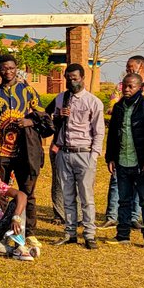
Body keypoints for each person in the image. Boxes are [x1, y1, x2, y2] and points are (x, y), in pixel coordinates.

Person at [47, 62, 105, 249]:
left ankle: (89, 233)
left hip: (84, 153)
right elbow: (52, 123)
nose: (71, 82)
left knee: (86, 196)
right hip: (65, 152)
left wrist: (94, 155)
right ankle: (70, 232)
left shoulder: (93, 102)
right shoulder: (60, 98)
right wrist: (59, 117)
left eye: (75, 78)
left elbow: (99, 131)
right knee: (67, 195)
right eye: (68, 78)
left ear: (83, 78)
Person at [0, 54, 46, 214]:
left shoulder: (28, 91)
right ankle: (0, 228)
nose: (8, 71)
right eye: (4, 68)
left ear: (16, 69)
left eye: (11, 68)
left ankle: (28, 232)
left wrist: (30, 122)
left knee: (27, 191)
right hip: (0, 151)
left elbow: (43, 117)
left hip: (24, 150)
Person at [103, 54, 144, 232]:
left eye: (130, 66)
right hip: (123, 148)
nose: (127, 69)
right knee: (118, 187)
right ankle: (114, 218)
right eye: (127, 67)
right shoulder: (120, 87)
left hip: (141, 147)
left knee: (142, 190)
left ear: (141, 67)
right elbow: (112, 107)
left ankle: (137, 220)